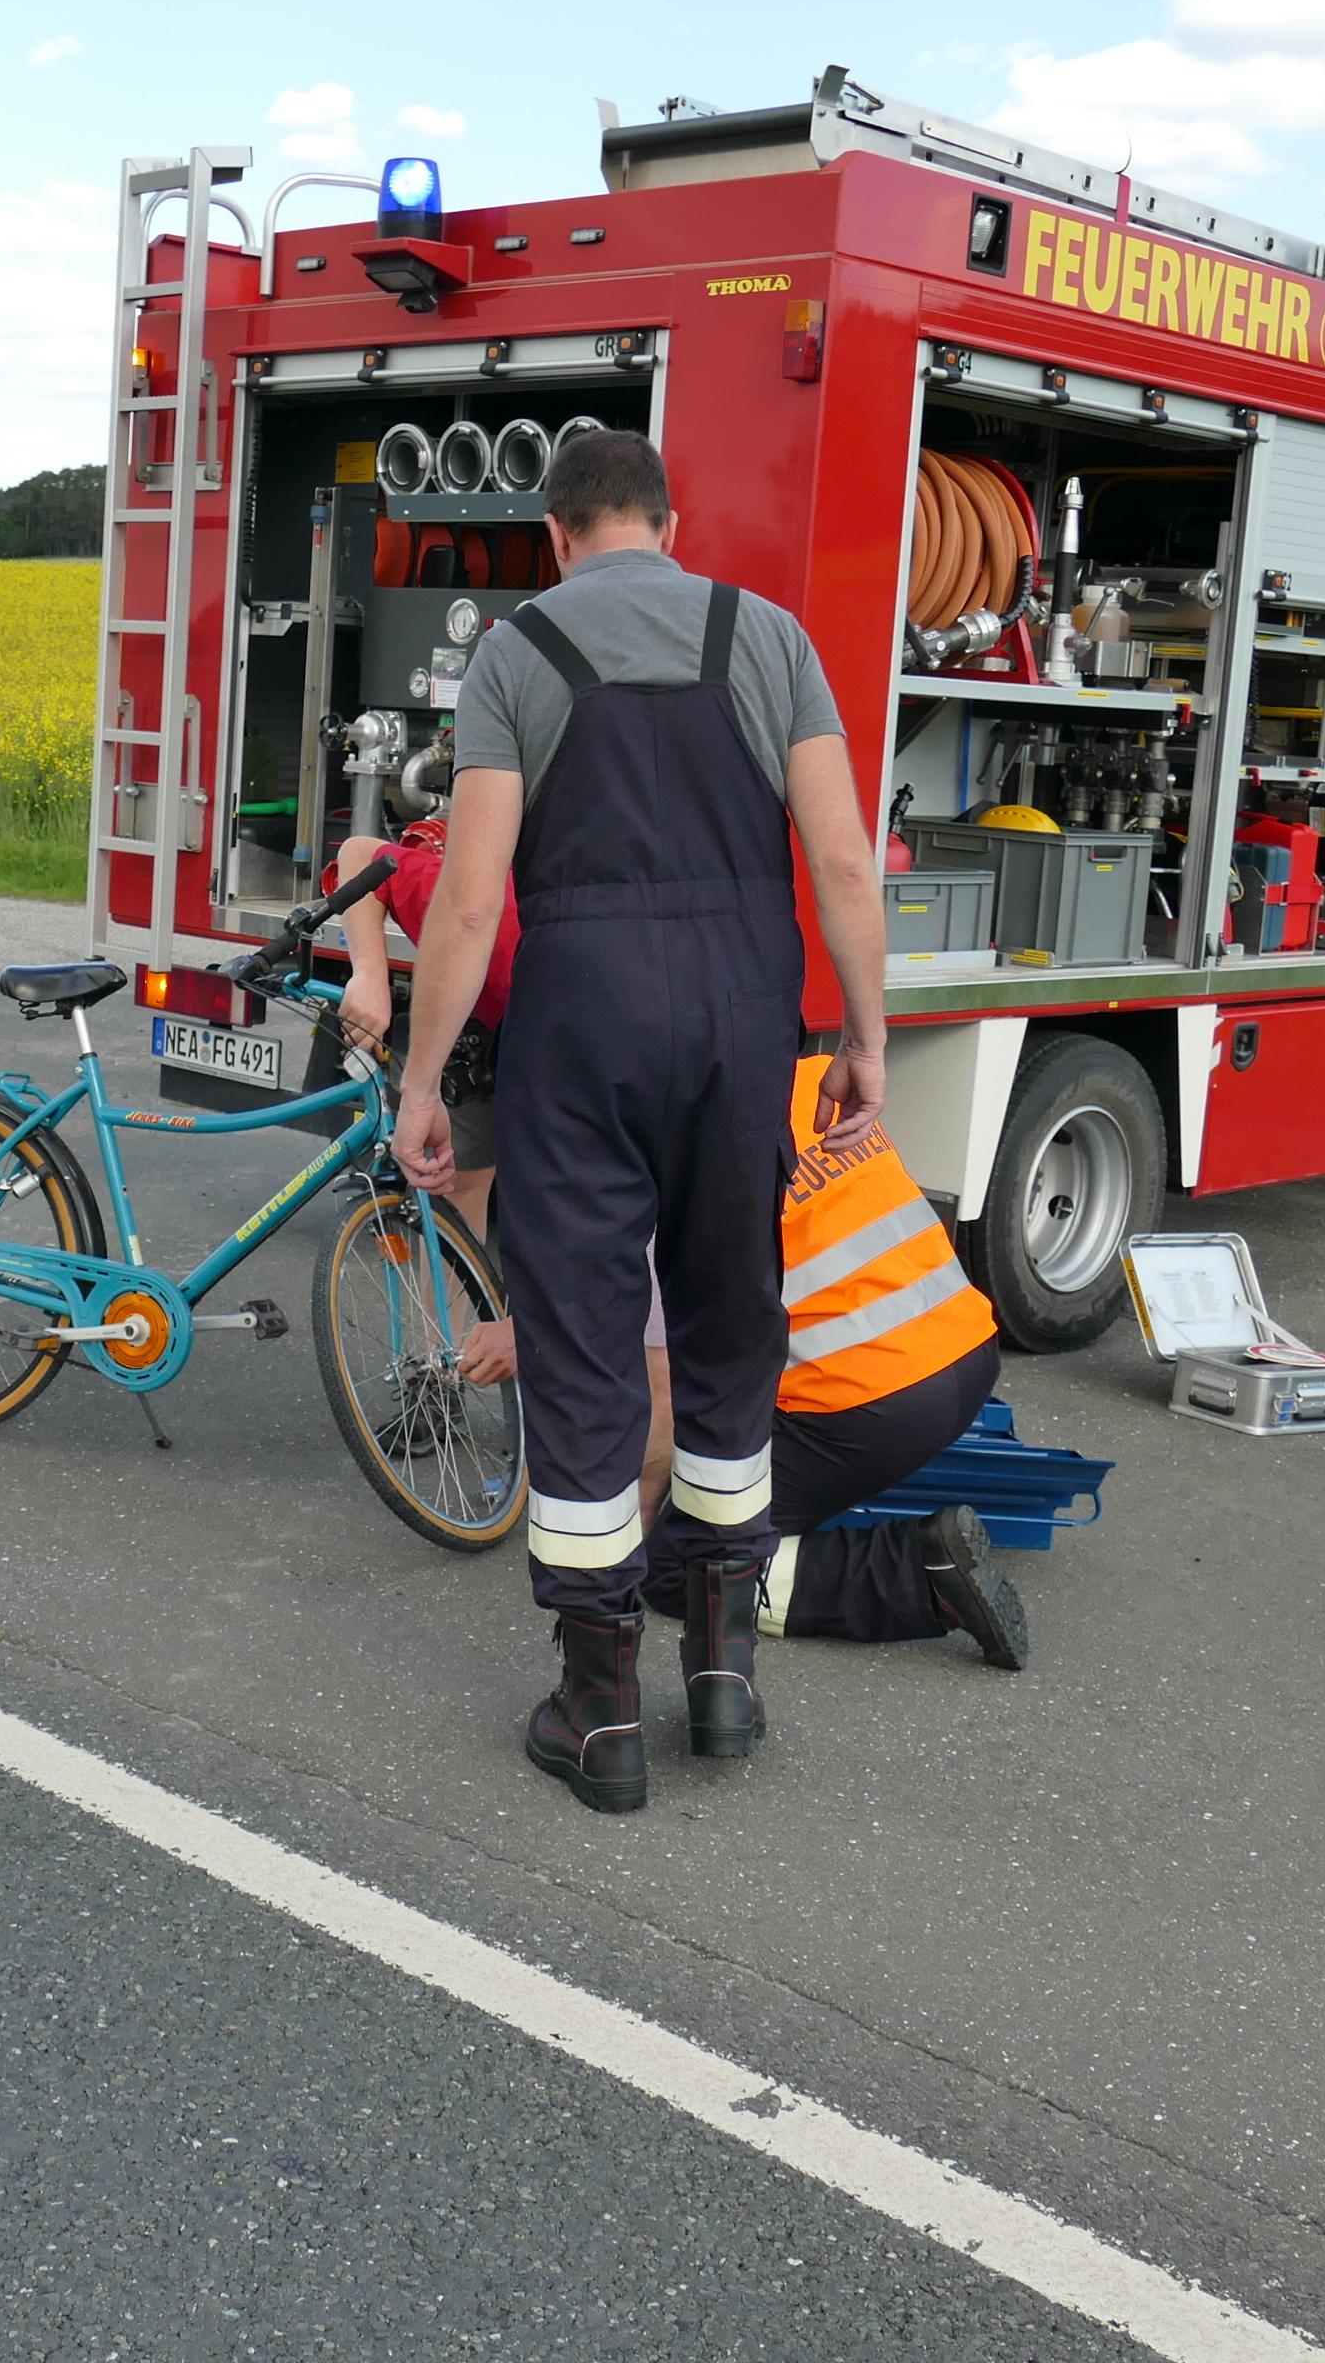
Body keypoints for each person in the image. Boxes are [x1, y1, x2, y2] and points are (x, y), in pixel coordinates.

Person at [392, 427, 890, 1815]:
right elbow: (842, 859)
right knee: (732, 1326)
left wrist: (425, 1078)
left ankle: (601, 1713)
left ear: (557, 534)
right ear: (671, 523)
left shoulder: (515, 654)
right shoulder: (769, 636)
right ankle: (723, 1684)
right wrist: (863, 1036)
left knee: (588, 1345)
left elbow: (474, 895)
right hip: (742, 1015)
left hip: (584, 1026)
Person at [639, 1054, 1028, 1668]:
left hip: (867, 1409)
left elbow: (661, 1409)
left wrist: (634, 1530)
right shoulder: (817, 1081)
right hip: (967, 1353)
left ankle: (920, 1572)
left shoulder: (680, 1157)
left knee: (673, 1566)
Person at [323, 817, 514, 1236]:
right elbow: (360, 856)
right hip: (499, 1000)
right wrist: (370, 974)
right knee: (460, 1187)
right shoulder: (499, 918)